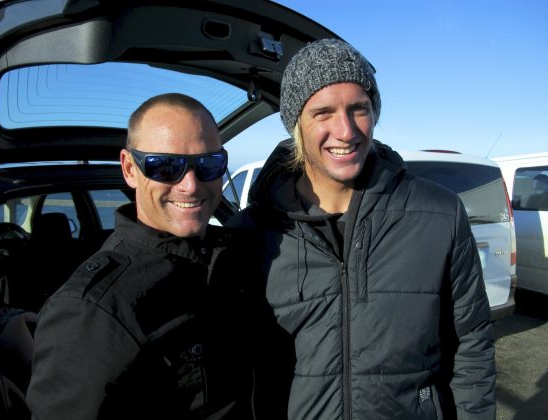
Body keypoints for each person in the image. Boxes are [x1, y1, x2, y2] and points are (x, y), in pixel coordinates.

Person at [228, 39, 496, 419]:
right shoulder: (251, 234)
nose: (346, 130)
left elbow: (472, 342)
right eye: (323, 113)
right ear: (296, 126)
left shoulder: (440, 213)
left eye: (359, 109)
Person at [27, 93, 282, 419]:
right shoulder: (93, 312)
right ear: (129, 169)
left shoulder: (237, 256)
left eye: (208, 164)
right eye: (165, 166)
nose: (190, 185)